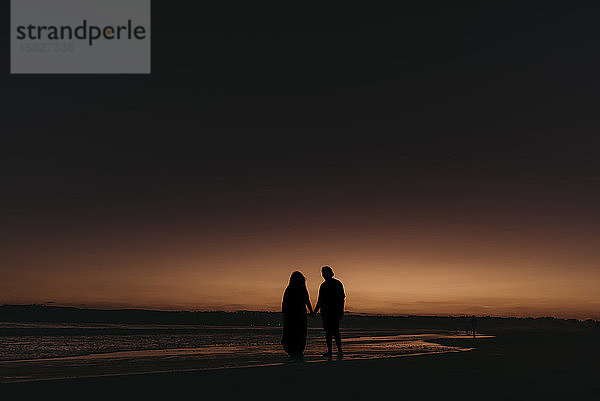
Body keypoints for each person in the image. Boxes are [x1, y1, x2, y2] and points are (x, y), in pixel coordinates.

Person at [314, 265, 345, 358]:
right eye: (322, 273)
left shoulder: (334, 284)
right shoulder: (325, 285)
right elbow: (320, 300)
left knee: (333, 332)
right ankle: (333, 351)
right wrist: (315, 311)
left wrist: (340, 310)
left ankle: (337, 350)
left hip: (332, 311)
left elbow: (341, 298)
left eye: (324, 273)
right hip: (328, 312)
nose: (323, 275)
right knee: (331, 332)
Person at [281, 271, 313, 359]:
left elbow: (284, 303)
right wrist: (311, 311)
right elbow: (307, 300)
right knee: (300, 333)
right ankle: (298, 350)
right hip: (300, 314)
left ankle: (292, 350)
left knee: (291, 332)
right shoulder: (301, 288)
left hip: (291, 314)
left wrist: (284, 314)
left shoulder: (289, 288)